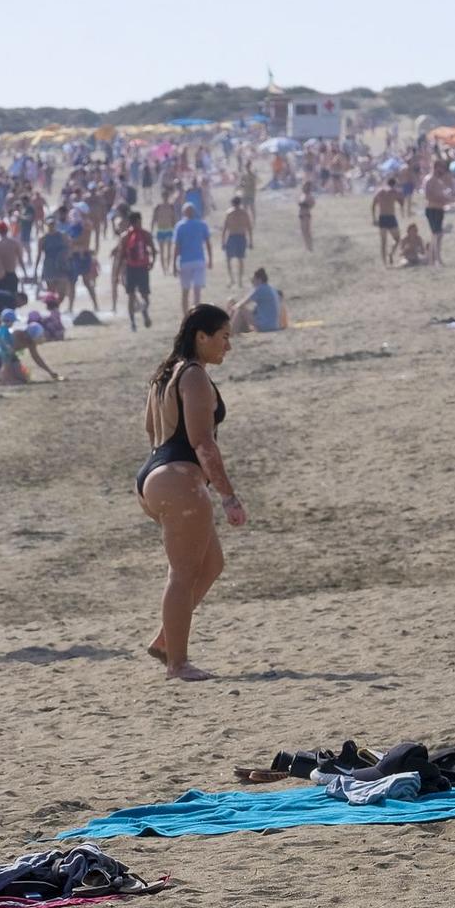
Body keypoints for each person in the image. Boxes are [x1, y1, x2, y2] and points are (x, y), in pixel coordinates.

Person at [134, 305, 245, 681]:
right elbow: (202, 443)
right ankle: (177, 664)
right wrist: (228, 496)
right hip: (179, 477)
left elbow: (152, 431)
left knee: (211, 564)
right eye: (224, 336)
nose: (228, 345)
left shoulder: (164, 374)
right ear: (202, 336)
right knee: (181, 573)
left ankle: (167, 639)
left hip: (155, 472)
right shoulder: (194, 376)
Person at [169, 203, 212, 316]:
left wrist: (174, 264)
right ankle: (196, 315)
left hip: (185, 261)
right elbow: (208, 243)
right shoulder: (202, 224)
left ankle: (186, 316)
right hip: (199, 260)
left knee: (185, 291)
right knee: (197, 291)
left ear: (184, 213)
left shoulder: (180, 226)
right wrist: (210, 259)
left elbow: (177, 247)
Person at [117, 212, 156, 331]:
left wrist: (152, 262)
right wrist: (118, 273)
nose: (139, 224)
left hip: (140, 268)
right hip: (133, 268)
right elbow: (121, 255)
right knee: (131, 296)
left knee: (143, 296)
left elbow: (153, 250)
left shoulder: (142, 235)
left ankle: (143, 314)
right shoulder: (127, 236)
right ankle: (133, 322)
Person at [228, 268, 286, 335]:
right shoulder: (270, 288)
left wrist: (231, 308)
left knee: (241, 310)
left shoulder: (260, 288)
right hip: (274, 325)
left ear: (259, 280)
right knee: (243, 310)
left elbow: (241, 304)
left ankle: (230, 333)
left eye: (253, 280)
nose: (252, 283)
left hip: (265, 326)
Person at [422, 157, 455, 265]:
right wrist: (441, 199)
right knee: (436, 234)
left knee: (438, 235)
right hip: (432, 209)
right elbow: (428, 196)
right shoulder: (429, 180)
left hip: (440, 209)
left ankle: (435, 258)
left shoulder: (439, 181)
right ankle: (435, 259)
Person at [218, 197, 253, 289]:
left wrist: (223, 241)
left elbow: (225, 228)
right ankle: (240, 281)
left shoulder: (229, 213)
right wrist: (251, 241)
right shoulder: (244, 213)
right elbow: (249, 227)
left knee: (229, 259)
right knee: (240, 259)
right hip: (241, 237)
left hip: (232, 237)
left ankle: (232, 279)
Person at [371, 179, 404, 266]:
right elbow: (401, 201)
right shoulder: (393, 191)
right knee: (397, 239)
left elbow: (373, 204)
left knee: (383, 241)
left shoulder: (380, 191)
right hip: (390, 217)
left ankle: (384, 263)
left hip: (382, 217)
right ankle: (391, 253)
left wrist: (374, 218)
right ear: (394, 184)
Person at [297, 180, 316, 253]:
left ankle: (310, 247)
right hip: (301, 214)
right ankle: (307, 246)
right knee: (303, 231)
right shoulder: (302, 195)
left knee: (307, 231)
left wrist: (305, 204)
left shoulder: (309, 196)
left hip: (306, 214)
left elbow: (312, 204)